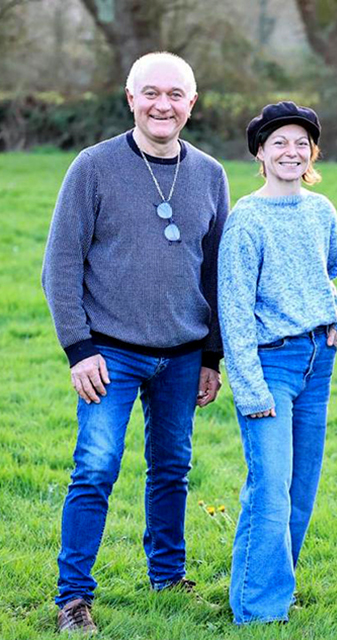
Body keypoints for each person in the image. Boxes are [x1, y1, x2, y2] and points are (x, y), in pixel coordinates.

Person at [41, 52, 230, 633]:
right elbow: (60, 265)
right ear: (131, 99)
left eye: (176, 95)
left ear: (191, 105)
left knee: (172, 467)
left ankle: (167, 577)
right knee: (95, 469)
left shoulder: (210, 174)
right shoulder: (92, 168)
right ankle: (73, 596)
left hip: (181, 355)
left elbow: (215, 272)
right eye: (151, 93)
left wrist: (211, 356)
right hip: (108, 352)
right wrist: (78, 349)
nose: (162, 105)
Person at [218, 102, 337, 625]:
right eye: (279, 143)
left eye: (301, 143)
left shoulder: (322, 211)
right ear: (262, 153)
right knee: (270, 485)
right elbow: (233, 308)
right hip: (271, 364)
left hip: (319, 359)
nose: (291, 152)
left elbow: (329, 269)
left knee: (301, 485)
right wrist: (250, 389)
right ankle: (258, 610)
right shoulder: (246, 219)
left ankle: (280, 583)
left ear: (311, 153)